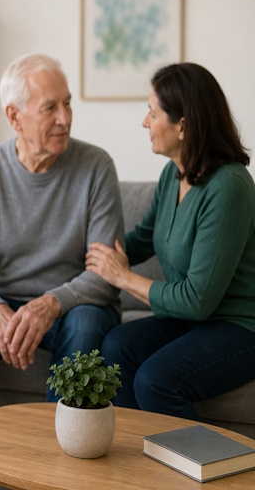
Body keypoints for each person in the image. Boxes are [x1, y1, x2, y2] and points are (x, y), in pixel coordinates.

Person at [0, 54, 124, 490]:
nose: (65, 118)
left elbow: (107, 275)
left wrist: (52, 303)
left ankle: (50, 467)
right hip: (7, 309)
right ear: (14, 116)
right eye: (50, 107)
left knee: (87, 327)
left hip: (73, 307)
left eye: (67, 105)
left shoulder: (96, 167)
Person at [87, 62, 255, 418]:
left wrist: (123, 278)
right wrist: (90, 247)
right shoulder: (173, 174)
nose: (144, 123)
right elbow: (144, 238)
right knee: (116, 345)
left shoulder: (229, 187)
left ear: (183, 125)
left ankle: (201, 470)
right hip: (194, 320)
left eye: (152, 113)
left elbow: (197, 300)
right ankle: (140, 460)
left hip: (239, 326)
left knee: (156, 380)